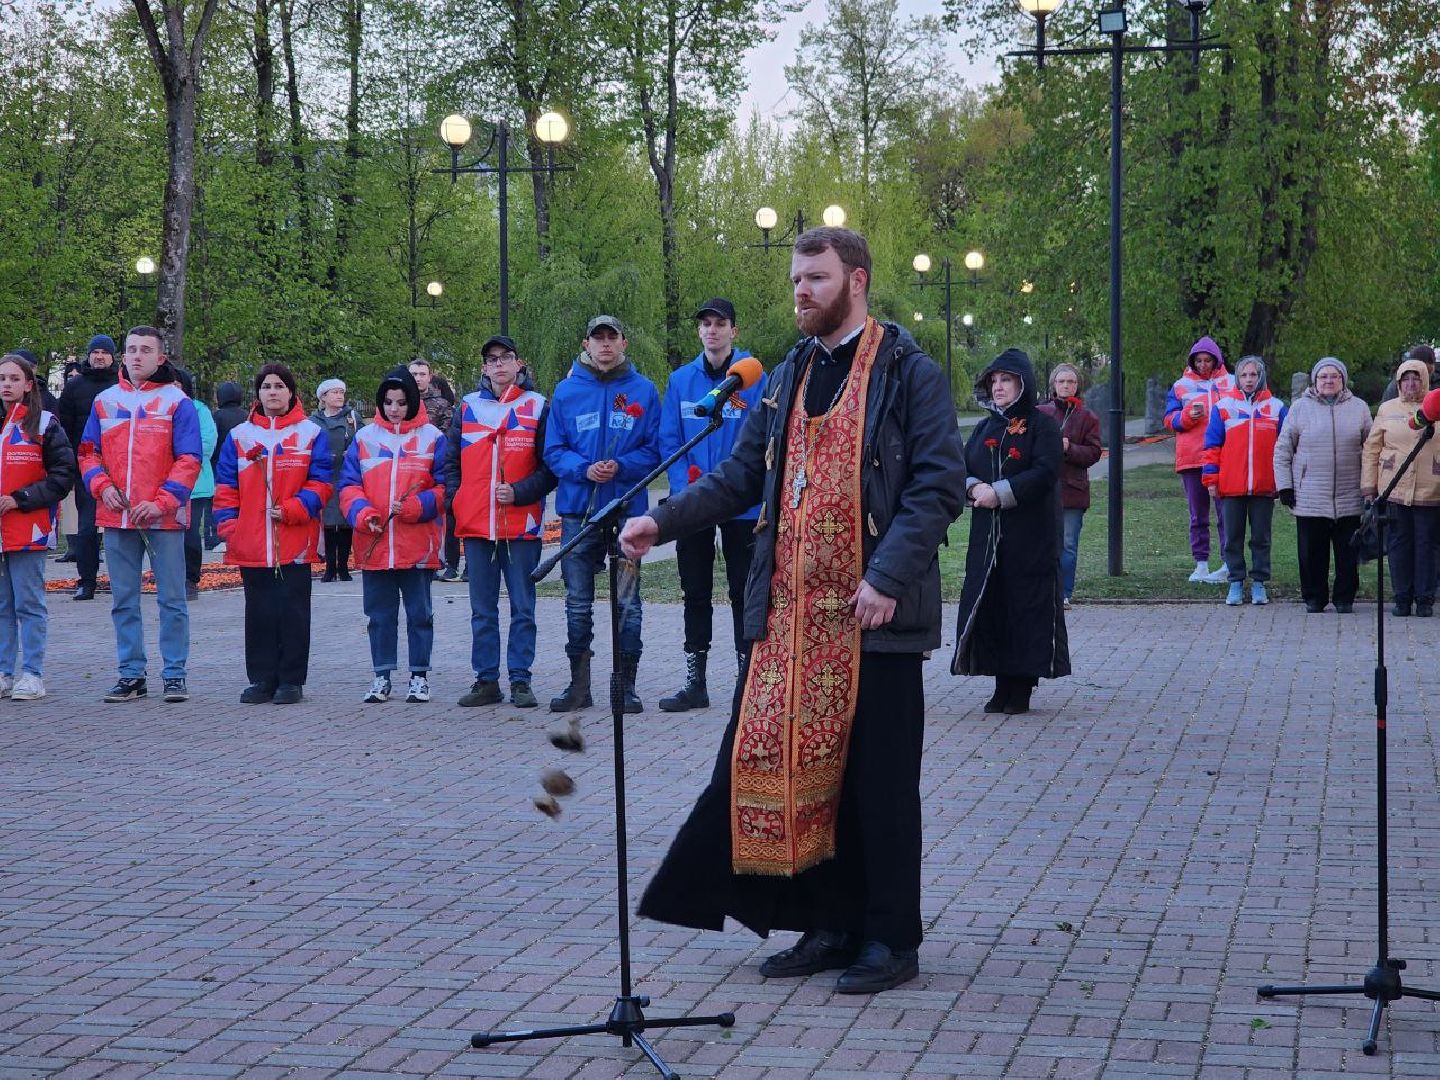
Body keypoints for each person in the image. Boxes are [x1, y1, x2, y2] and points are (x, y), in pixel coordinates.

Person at [622, 227, 965, 994]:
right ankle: (830, 923)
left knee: (878, 786)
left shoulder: (909, 374)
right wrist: (662, 519)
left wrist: (886, 577)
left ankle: (889, 938)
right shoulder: (786, 374)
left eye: (815, 277)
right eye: (795, 280)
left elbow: (938, 485)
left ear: (858, 281)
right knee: (807, 776)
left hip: (872, 619)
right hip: (789, 620)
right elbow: (742, 476)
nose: (801, 291)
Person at [77, 326, 202, 703]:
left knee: (172, 600)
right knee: (123, 600)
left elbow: (190, 459)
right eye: (131, 349)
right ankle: (131, 675)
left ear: (160, 358)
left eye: (145, 350)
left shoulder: (177, 402)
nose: (136, 356)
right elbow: (86, 453)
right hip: (117, 516)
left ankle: (174, 674)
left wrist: (163, 501)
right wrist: (103, 487)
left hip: (162, 518)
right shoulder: (104, 401)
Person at [654, 298, 766, 712]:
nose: (712, 330)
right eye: (705, 324)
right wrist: (688, 489)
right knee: (695, 592)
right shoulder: (682, 380)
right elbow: (670, 440)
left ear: (734, 331)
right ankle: (694, 683)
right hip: (694, 503)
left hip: (743, 504)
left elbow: (763, 441)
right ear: (698, 332)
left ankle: (745, 683)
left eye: (720, 324)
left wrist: (741, 486)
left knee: (743, 591)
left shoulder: (755, 378)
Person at [545, 315, 661, 714]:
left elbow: (655, 448)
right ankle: (579, 686)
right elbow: (553, 450)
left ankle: (625, 686)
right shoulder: (565, 391)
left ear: (624, 343)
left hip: (627, 509)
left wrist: (622, 466)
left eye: (613, 337)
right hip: (580, 511)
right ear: (586, 344)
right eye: (599, 338)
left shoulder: (643, 391)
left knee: (628, 602)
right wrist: (583, 468)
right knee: (578, 601)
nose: (606, 345)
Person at [952, 349, 1070, 715]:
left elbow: (1046, 471)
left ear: (1023, 383)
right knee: (995, 605)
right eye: (994, 380)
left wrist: (1001, 493)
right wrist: (973, 488)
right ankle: (1002, 680)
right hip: (989, 540)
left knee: (1026, 606)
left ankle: (1022, 684)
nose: (999, 387)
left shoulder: (1042, 425)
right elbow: (962, 465)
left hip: (1029, 537)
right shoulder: (985, 428)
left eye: (1006, 380)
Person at [447, 335, 556, 709]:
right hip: (477, 526)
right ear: (483, 367)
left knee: (523, 607)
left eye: (505, 357)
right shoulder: (467, 407)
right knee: (482, 609)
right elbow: (449, 465)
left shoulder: (538, 405)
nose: (498, 364)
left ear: (519, 363)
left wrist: (522, 493)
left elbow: (549, 467)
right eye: (491, 359)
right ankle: (486, 680)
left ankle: (521, 679)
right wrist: (456, 503)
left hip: (520, 526)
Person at [213, 363, 332, 703]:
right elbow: (226, 487)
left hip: (293, 538)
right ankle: (262, 678)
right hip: (251, 540)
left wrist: (295, 509)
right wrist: (230, 527)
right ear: (258, 394)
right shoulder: (240, 436)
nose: (273, 392)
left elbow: (321, 482)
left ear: (292, 392)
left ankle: (291, 680)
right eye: (266, 386)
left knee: (293, 610)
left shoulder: (311, 433)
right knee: (259, 611)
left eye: (280, 386)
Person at [340, 367, 445, 704]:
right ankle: (381, 676)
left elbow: (445, 489)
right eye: (388, 402)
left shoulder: (432, 438)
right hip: (375, 544)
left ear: (413, 402)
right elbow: (348, 487)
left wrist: (416, 507)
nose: (395, 409)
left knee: (419, 615)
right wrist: (363, 514)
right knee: (380, 616)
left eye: (401, 402)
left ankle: (419, 676)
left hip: (417, 544)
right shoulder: (364, 438)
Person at [0, 353, 77, 700]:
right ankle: (4, 671)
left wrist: (21, 498)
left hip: (28, 527)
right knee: (2, 605)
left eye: (14, 379)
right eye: (2, 378)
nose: (7, 385)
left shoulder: (45, 424)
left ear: (29, 385)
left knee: (28, 603)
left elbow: (62, 476)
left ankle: (32, 673)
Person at [1273, 357, 1371, 613]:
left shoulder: (1359, 408)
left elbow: (1371, 449)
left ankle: (1344, 598)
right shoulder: (1299, 408)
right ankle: (1314, 597)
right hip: (1309, 494)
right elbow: (1283, 450)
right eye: (1323, 377)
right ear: (1315, 381)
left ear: (1343, 380)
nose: (1329, 381)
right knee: (1311, 553)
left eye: (1334, 376)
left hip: (1349, 493)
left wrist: (1370, 485)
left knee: (1347, 553)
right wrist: (1285, 486)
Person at [1201, 355, 1286, 606]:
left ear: (1261, 377)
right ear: (1237, 378)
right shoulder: (1224, 407)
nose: (1249, 380)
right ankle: (1236, 581)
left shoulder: (1277, 407)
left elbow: (1285, 448)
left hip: (1264, 486)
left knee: (1261, 536)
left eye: (1254, 375)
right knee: (1232, 536)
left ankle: (1259, 583)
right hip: (1232, 485)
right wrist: (1211, 479)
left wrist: (1283, 482)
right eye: (1244, 375)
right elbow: (1211, 446)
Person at [1362, 354, 1440, 617]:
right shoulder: (1387, 409)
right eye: (1405, 379)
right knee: (1398, 545)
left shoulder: (1436, 405)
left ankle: (1425, 598)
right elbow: (1372, 449)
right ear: (1397, 383)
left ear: (1425, 381)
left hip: (1431, 489)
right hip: (1394, 487)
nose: (1410, 384)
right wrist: (1368, 487)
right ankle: (1402, 597)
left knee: (1427, 545)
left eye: (1416, 379)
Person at [55, 334, 119, 599]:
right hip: (86, 466)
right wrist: (70, 465)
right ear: (89, 356)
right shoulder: (74, 387)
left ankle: (123, 579)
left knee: (122, 526)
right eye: (96, 352)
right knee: (87, 526)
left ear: (113, 357)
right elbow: (65, 429)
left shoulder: (122, 384)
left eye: (105, 352)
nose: (100, 356)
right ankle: (87, 580)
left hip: (120, 464)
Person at [1165, 337, 1233, 583]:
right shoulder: (1180, 385)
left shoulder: (1231, 383)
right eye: (1199, 360)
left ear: (1217, 361)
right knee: (1198, 515)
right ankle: (1201, 563)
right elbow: (1169, 419)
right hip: (1192, 458)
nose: (1203, 365)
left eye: (1208, 360)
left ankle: (1228, 563)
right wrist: (1187, 416)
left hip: (1225, 457)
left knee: (1226, 513)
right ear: (1192, 362)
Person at [1036, 363, 1102, 609]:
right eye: (1061, 381)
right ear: (1054, 384)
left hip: (1072, 490)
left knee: (1068, 543)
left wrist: (1069, 448)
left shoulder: (1088, 417)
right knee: (1040, 541)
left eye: (1071, 382)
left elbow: (1094, 452)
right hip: (1042, 488)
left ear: (1078, 385)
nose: (1066, 385)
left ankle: (1063, 593)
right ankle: (1041, 591)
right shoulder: (1040, 412)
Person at [410, 358, 463, 581]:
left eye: (422, 374)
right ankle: (422, 561)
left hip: (437, 466)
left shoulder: (441, 404)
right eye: (414, 374)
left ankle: (450, 563)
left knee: (447, 517)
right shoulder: (403, 403)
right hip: (410, 468)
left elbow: (448, 437)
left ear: (430, 377)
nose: (418, 378)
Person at [173, 368, 217, 602]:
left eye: (178, 383)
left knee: (190, 532)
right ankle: (169, 576)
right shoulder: (158, 408)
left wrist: (180, 461)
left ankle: (191, 579)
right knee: (168, 534)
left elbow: (206, 443)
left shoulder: (200, 410)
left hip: (194, 483)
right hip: (164, 484)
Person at [310, 378, 359, 581]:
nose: (339, 396)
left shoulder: (353, 418)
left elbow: (363, 440)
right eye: (334, 392)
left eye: (341, 392)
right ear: (323, 397)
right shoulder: (313, 422)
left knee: (346, 521)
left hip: (347, 474)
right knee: (328, 523)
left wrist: (354, 452)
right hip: (325, 475)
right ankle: (330, 567)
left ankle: (344, 567)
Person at [209, 380, 249, 549]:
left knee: (220, 500)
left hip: (220, 464)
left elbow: (212, 441)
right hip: (246, 464)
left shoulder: (217, 416)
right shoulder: (247, 416)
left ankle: (217, 536)